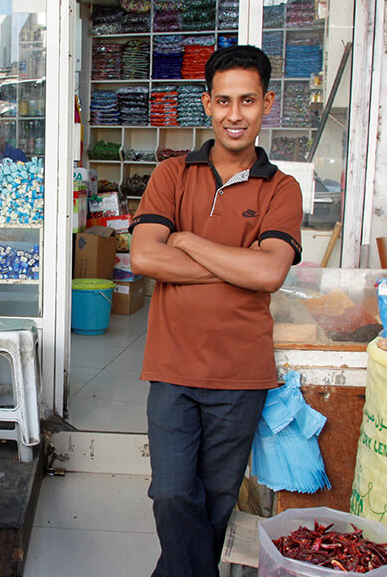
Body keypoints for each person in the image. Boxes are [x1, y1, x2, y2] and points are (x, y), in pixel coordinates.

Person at [129, 45, 303, 577]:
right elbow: (142, 256)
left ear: (266, 104)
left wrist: (187, 240)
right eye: (223, 100)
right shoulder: (172, 174)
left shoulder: (282, 188)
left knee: (217, 500)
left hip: (239, 374)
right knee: (173, 494)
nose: (234, 114)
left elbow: (271, 272)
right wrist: (238, 263)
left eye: (247, 101)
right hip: (173, 368)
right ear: (206, 103)